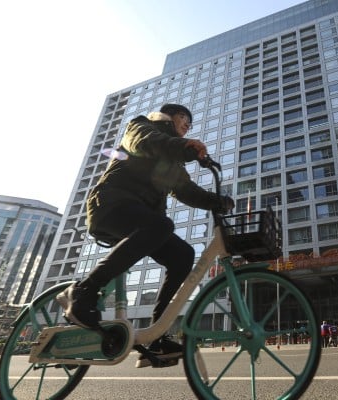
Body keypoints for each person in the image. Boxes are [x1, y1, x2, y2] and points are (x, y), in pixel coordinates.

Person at [56, 103, 234, 367]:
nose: (187, 126)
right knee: (162, 226)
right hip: (110, 203)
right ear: (169, 116)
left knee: (183, 254)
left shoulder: (170, 157)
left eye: (189, 123)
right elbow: (146, 143)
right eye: (184, 119)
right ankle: (83, 292)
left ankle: (157, 337)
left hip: (140, 216)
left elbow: (185, 190)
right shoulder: (141, 127)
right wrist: (184, 148)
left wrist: (217, 200)